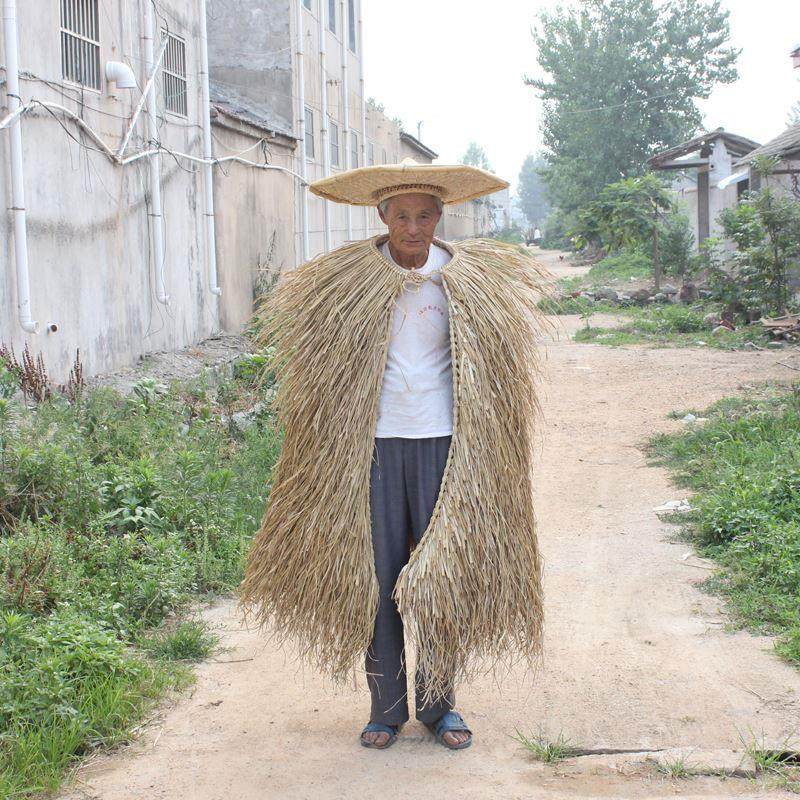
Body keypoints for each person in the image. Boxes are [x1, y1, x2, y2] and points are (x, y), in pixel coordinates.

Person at [238, 158, 553, 753]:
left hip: (445, 444)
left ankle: (440, 707)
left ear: (441, 217)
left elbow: (499, 378)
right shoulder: (349, 282)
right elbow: (318, 377)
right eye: (402, 215)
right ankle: (384, 709)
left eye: (425, 215)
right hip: (372, 449)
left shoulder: (465, 281)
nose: (414, 227)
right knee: (377, 578)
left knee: (438, 573)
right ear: (380, 215)